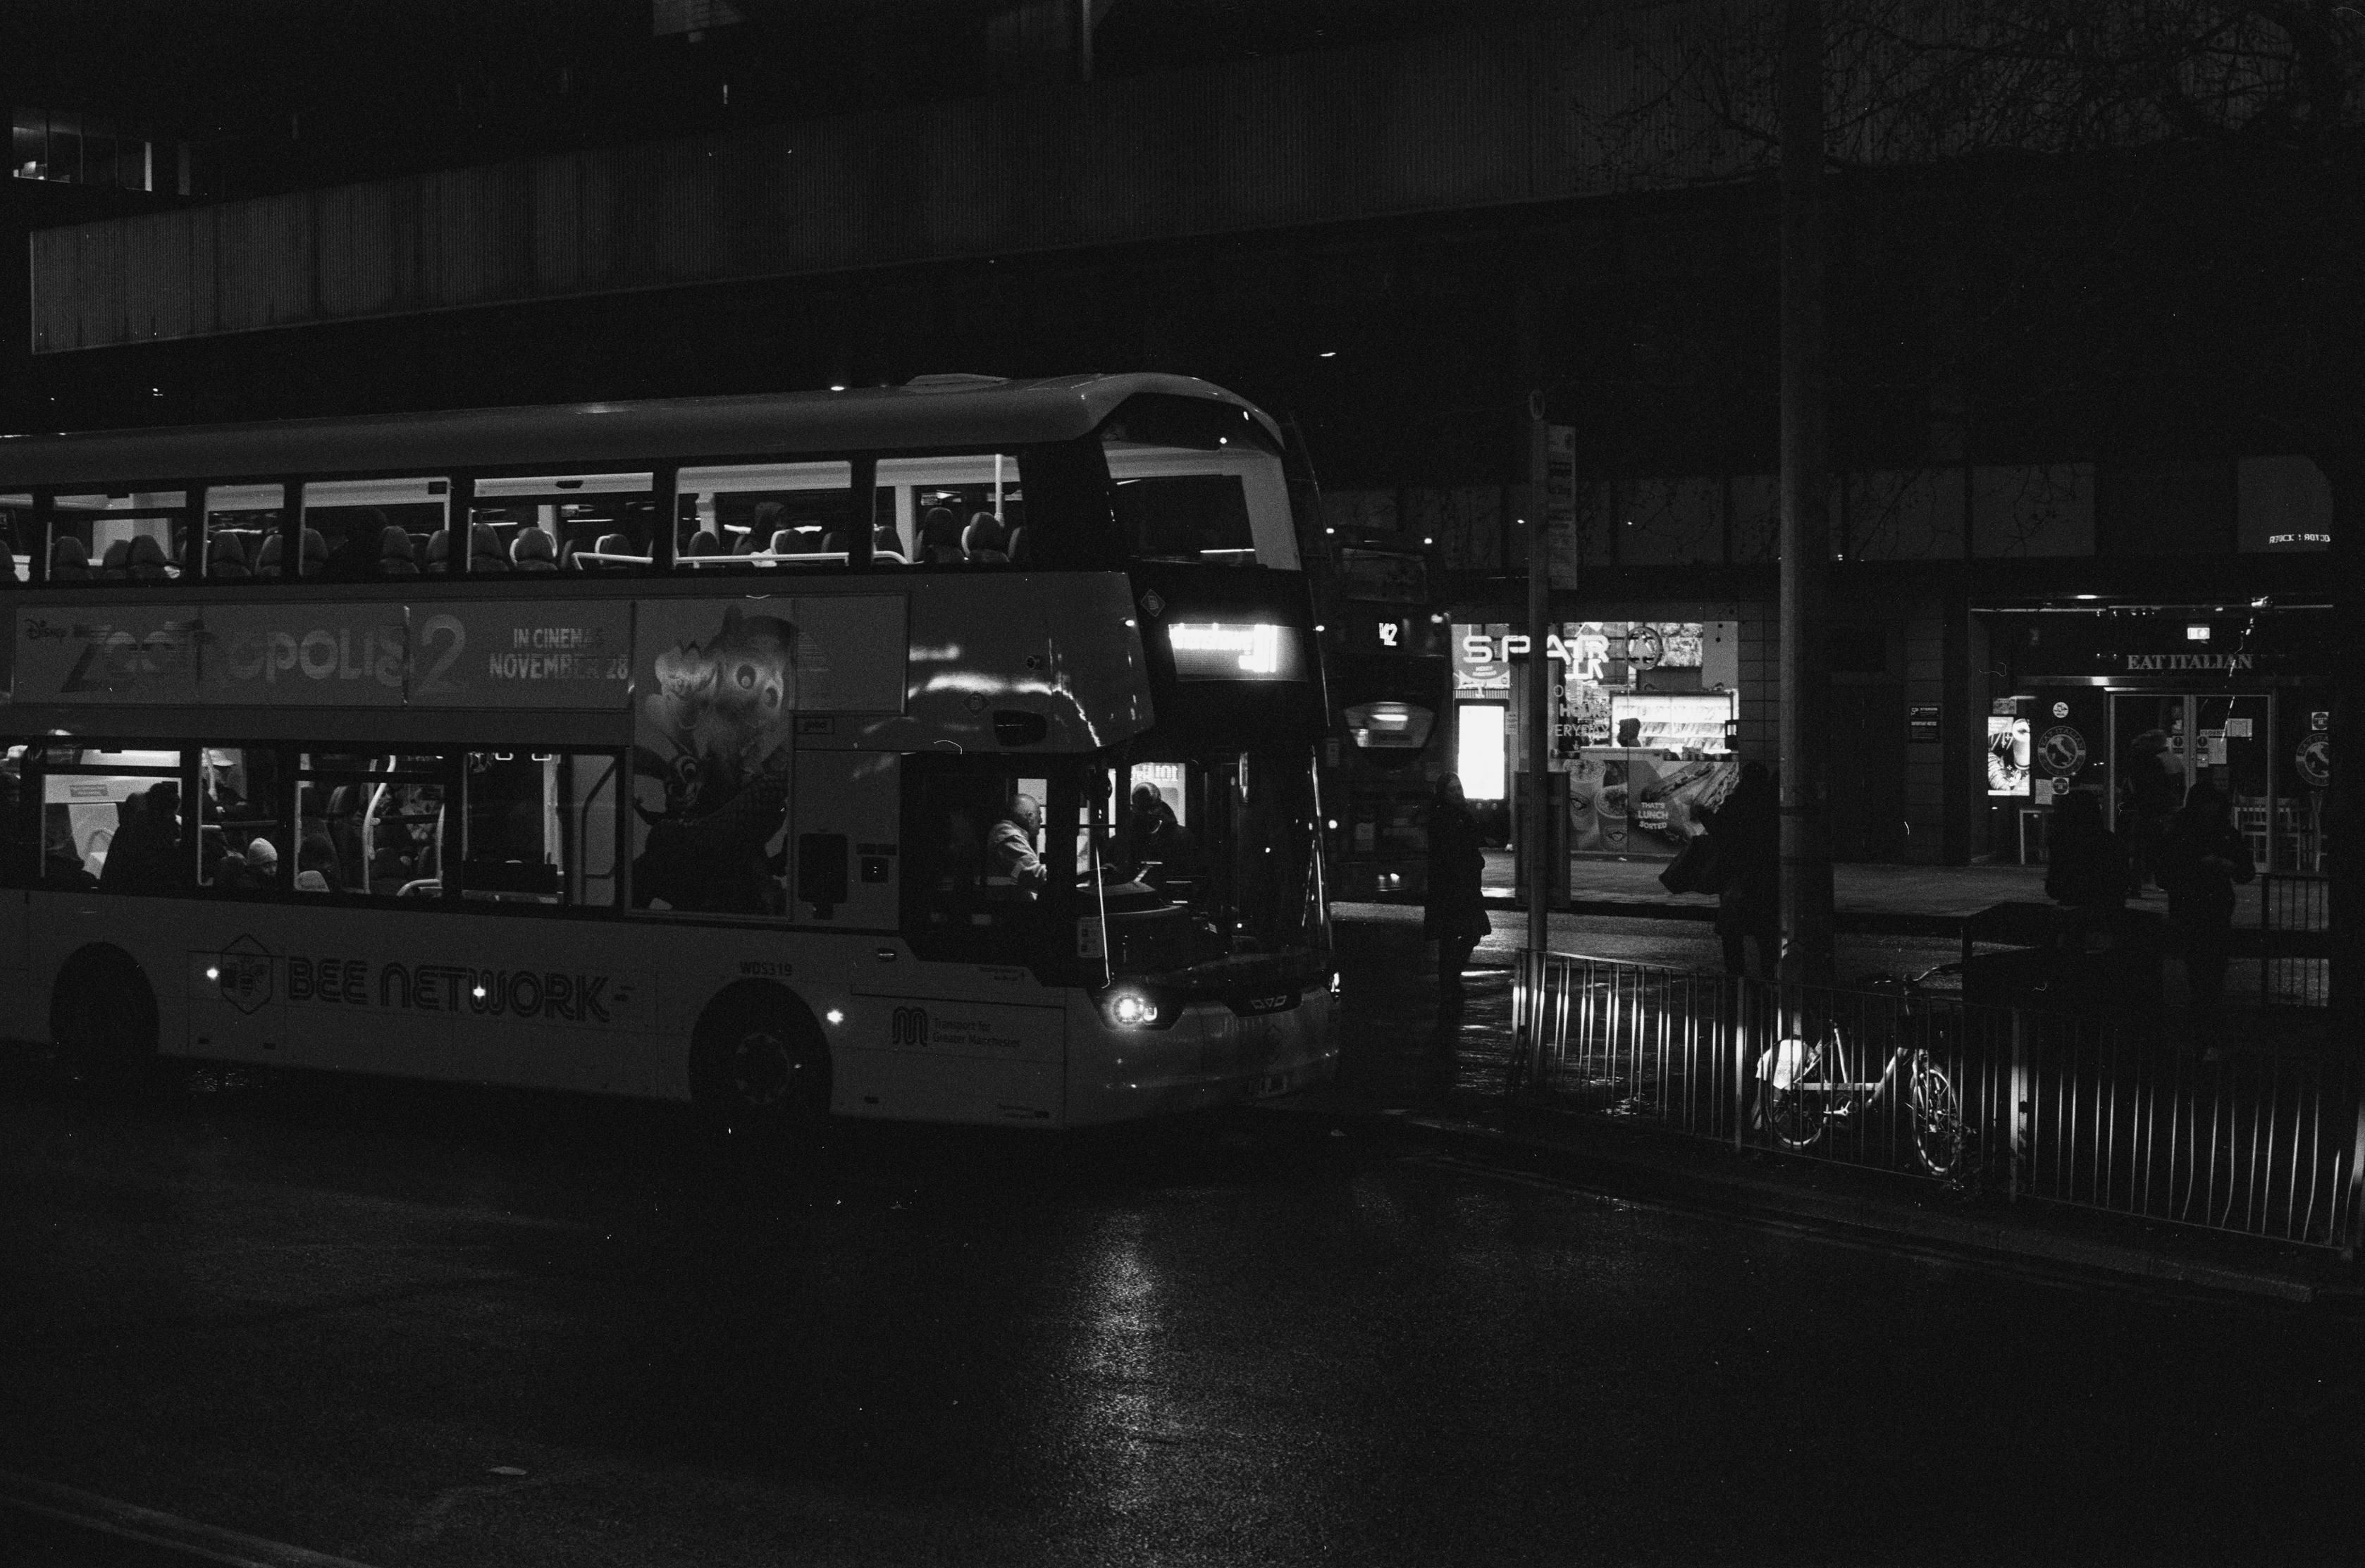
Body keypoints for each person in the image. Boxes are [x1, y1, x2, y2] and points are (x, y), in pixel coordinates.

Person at [2159, 782, 2252, 1008]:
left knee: (2205, 961)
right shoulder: (2206, 832)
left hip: (2203, 903)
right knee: (2205, 961)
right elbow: (2167, 872)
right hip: (2200, 902)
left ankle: (2204, 1007)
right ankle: (2206, 1009)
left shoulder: (2207, 831)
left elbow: (2246, 871)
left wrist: (2225, 865)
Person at [1703, 761, 1778, 979]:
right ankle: (1768, 972)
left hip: (1736, 873)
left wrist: (1705, 816)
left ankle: (1736, 974)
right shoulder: (1770, 806)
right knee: (1764, 929)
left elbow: (1720, 831)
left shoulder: (1736, 803)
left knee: (1732, 928)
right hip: (1763, 874)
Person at [1422, 774, 1490, 1001]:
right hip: (1451, 888)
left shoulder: (1463, 813)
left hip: (1465, 886)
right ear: (1443, 793)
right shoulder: (1442, 817)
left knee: (1468, 932)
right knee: (1454, 935)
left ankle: (1450, 977)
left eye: (1459, 788)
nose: (1457, 793)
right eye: (1452, 790)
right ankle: (1449, 980)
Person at [2044, 787, 2126, 908]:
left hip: (2073, 912)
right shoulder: (2111, 841)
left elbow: (2054, 889)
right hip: (2109, 915)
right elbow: (2120, 886)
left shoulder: (2064, 843)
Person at [2122, 730, 2182, 893]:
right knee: (2159, 849)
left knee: (2140, 849)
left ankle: (2138, 883)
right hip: (2165, 811)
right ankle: (2159, 880)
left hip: (2149, 811)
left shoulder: (2150, 762)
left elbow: (2138, 788)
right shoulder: (2172, 760)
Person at [986, 794, 1047, 900]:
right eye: (1039, 815)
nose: (1041, 821)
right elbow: (1032, 873)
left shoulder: (1005, 834)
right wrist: (1064, 873)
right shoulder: (1009, 837)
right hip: (1010, 908)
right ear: (1030, 816)